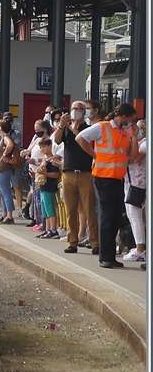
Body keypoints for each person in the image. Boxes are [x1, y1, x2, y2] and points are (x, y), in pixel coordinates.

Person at [76, 102, 138, 269]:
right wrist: (94, 154)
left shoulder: (124, 133)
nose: (132, 123)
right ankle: (105, 256)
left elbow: (133, 155)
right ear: (123, 117)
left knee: (115, 217)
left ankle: (109, 255)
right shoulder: (102, 127)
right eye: (131, 120)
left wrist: (134, 137)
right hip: (103, 178)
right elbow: (80, 138)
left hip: (118, 178)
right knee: (107, 217)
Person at [54, 101, 96, 254]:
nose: (74, 111)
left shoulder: (89, 129)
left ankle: (94, 242)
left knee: (89, 208)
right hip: (68, 172)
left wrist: (75, 130)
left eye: (78, 109)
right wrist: (61, 125)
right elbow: (57, 140)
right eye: (73, 109)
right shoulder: (65, 128)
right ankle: (72, 242)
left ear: (84, 112)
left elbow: (87, 143)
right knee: (70, 209)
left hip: (85, 172)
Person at [122, 119, 146, 263]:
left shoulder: (145, 143)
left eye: (141, 128)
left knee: (136, 216)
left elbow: (135, 158)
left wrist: (134, 139)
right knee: (132, 216)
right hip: (129, 181)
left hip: (139, 183)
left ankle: (140, 248)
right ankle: (138, 246)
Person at [0, 114, 20, 224]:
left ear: (1, 127)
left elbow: (10, 145)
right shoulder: (3, 137)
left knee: (5, 192)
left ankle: (9, 215)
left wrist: (4, 154)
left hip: (3, 168)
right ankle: (4, 213)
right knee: (1, 192)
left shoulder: (6, 138)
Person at [32, 137, 62, 238]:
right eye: (41, 147)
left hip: (49, 187)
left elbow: (55, 174)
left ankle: (53, 229)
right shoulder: (44, 160)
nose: (42, 149)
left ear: (50, 146)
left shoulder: (52, 160)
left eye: (44, 146)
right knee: (45, 209)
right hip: (43, 187)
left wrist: (45, 173)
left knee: (50, 208)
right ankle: (47, 228)